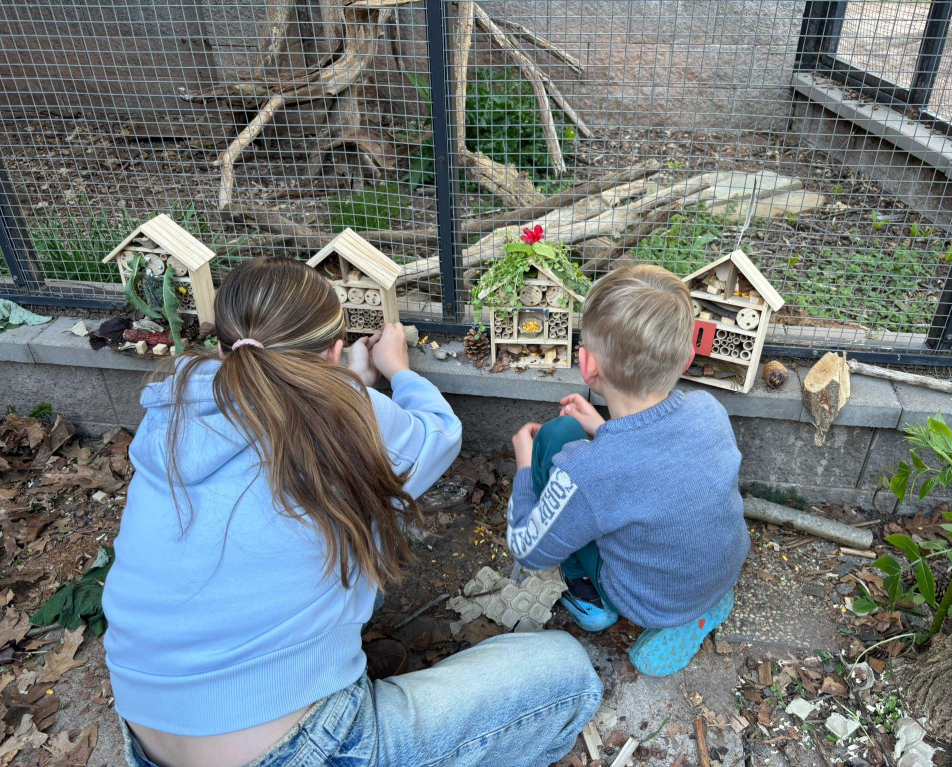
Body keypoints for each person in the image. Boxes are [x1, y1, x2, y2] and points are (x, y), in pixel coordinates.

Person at [102, 258, 602, 767]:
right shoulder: (342, 406)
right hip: (296, 750)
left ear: (224, 342)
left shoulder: (173, 405)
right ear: (335, 350)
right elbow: (438, 435)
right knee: (567, 674)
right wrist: (396, 372)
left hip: (149, 736)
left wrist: (344, 381)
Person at [506, 264, 750, 677]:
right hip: (722, 571)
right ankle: (702, 609)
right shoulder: (709, 409)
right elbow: (659, 468)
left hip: (645, 601)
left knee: (557, 434)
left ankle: (595, 601)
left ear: (587, 366)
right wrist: (603, 428)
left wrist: (525, 466)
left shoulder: (587, 471)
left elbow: (527, 550)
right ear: (688, 356)